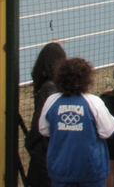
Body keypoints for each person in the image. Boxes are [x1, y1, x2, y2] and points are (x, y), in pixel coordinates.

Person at [39, 57, 114, 187]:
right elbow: (108, 131)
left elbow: (44, 130)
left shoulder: (51, 101)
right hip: (90, 169)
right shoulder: (94, 102)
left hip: (61, 168)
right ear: (86, 79)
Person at [25, 42, 67, 187]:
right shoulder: (66, 84)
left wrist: (30, 142)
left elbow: (40, 121)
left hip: (46, 151)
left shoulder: (48, 88)